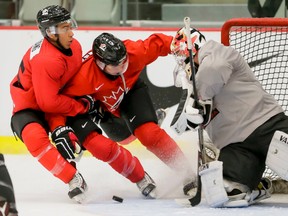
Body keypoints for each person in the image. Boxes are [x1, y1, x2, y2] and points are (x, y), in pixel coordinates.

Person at [10, 4, 157, 202]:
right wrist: (78, 110)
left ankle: (140, 176)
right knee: (34, 138)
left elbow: (67, 91)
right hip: (30, 108)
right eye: (65, 28)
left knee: (99, 145)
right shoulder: (46, 61)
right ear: (50, 33)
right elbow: (48, 103)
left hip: (59, 103)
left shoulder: (74, 47)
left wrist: (85, 102)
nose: (71, 32)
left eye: (70, 25)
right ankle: (72, 178)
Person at [57, 32, 196, 196]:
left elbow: (164, 43)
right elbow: (60, 102)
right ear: (101, 65)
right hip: (105, 109)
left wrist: (187, 48)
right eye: (116, 65)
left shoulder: (133, 51)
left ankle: (187, 174)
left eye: (124, 61)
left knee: (148, 134)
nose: (123, 67)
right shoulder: (82, 78)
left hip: (132, 92)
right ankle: (148, 119)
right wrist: (76, 113)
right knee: (122, 138)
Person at [170, 26, 288, 207]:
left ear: (193, 48)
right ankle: (253, 187)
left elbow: (215, 69)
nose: (182, 61)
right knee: (227, 192)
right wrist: (190, 118)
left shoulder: (215, 53)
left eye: (182, 55)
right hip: (236, 147)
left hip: (264, 125)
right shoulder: (194, 83)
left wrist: (199, 100)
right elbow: (186, 119)